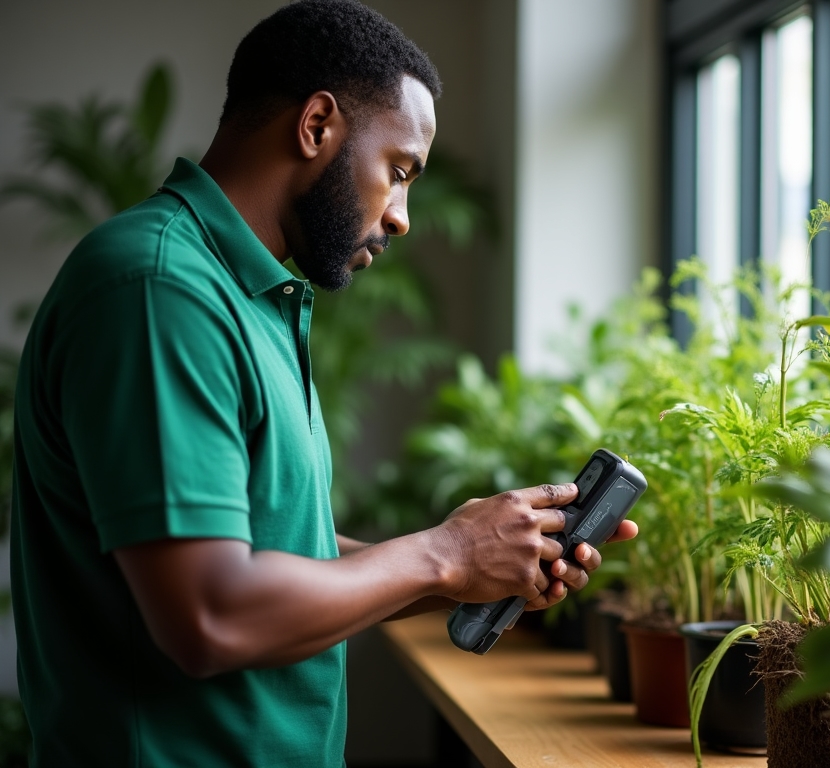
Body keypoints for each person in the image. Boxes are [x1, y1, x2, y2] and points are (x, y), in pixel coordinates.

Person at [10, 1, 638, 765]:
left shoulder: (246, 297)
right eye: (399, 171)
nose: (402, 215)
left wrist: (469, 570)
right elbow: (212, 615)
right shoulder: (159, 289)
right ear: (317, 126)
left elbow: (271, 553)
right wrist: (442, 554)